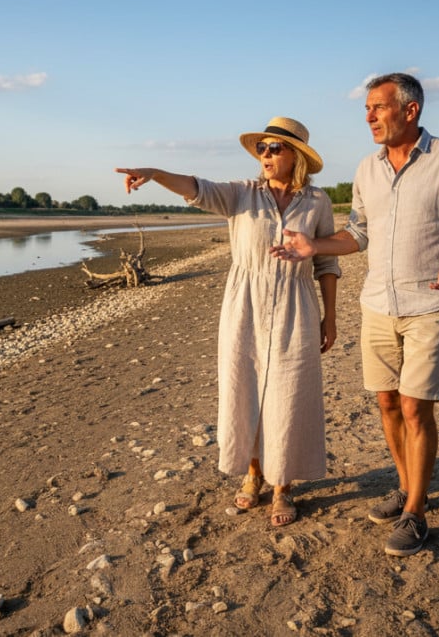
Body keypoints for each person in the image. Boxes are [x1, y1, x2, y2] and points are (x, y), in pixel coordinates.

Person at [271, 73, 439, 555]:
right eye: (366, 109)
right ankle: (403, 483)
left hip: (431, 303)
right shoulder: (366, 169)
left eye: (378, 107)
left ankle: (416, 510)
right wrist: (314, 245)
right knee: (388, 402)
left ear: (410, 111)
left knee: (416, 406)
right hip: (377, 303)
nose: (368, 116)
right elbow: (358, 234)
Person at [116, 117, 340, 527]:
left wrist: (331, 317)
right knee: (245, 388)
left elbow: (327, 260)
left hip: (297, 305)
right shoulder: (241, 194)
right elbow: (197, 188)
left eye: (276, 148)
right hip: (245, 306)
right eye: (263, 148)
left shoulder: (317, 201)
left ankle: (282, 486)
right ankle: (254, 473)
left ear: (297, 156)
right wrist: (154, 173)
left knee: (288, 394)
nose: (267, 155)